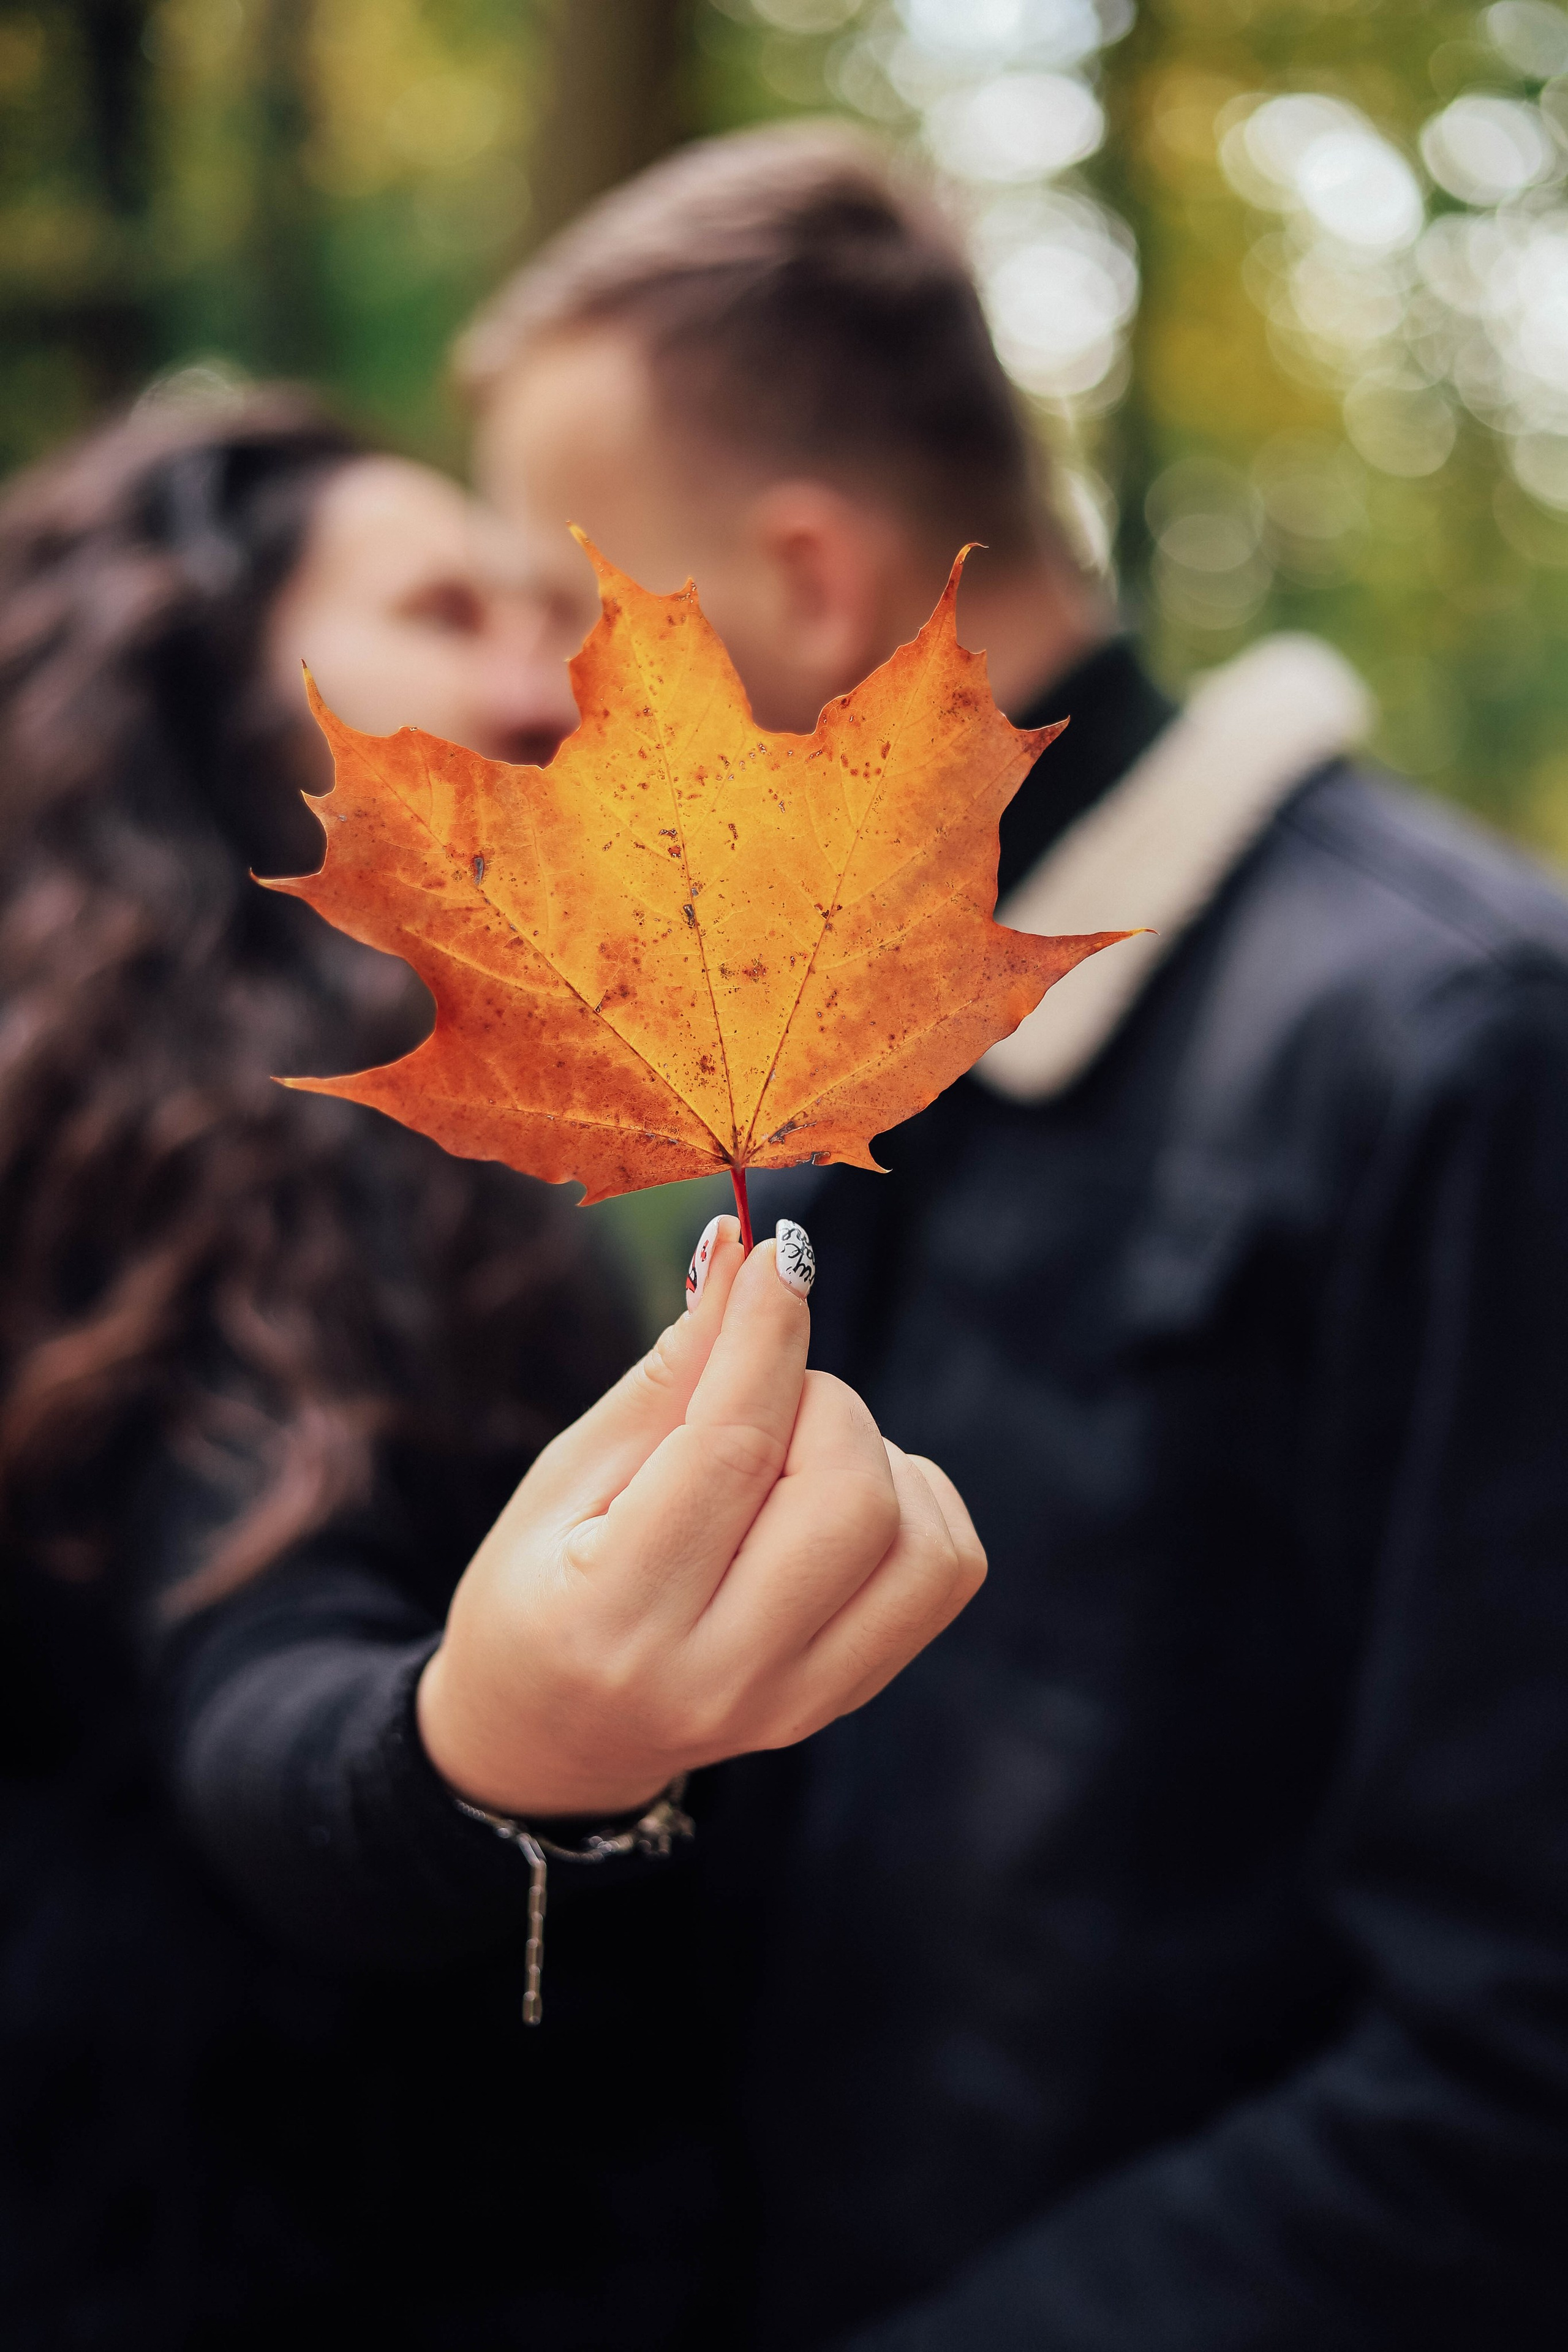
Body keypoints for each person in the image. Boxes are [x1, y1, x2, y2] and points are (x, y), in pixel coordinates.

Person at [454, 123, 1568, 2346]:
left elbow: (1518, 2052)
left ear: (813, 582)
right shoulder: (830, 1083)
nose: (530, 726)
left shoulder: (1457, 1055)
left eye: (583, 632)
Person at [0, 383, 981, 2349]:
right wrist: (486, 1748)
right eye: (445, 612)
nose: (548, 686)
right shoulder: (183, 1152)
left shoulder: (407, 1125)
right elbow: (258, 1674)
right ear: (202, 680)